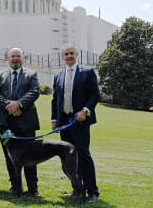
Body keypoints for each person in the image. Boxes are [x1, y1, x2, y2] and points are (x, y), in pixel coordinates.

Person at [51, 44, 100, 203]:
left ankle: (92, 192)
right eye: (66, 54)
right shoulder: (58, 76)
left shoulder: (87, 72)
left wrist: (85, 111)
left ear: (77, 55)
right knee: (69, 158)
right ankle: (78, 190)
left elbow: (95, 95)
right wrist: (54, 119)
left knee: (83, 155)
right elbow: (55, 100)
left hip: (80, 121)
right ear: (62, 57)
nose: (69, 56)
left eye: (72, 53)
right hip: (64, 122)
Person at [0, 48, 41, 197]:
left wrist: (18, 104)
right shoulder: (0, 75)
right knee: (10, 156)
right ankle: (15, 186)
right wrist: (9, 105)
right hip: (4, 123)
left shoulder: (32, 74)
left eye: (18, 56)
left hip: (26, 123)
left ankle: (33, 189)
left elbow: (35, 92)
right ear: (8, 58)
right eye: (13, 56)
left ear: (23, 58)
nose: (15, 58)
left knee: (30, 156)